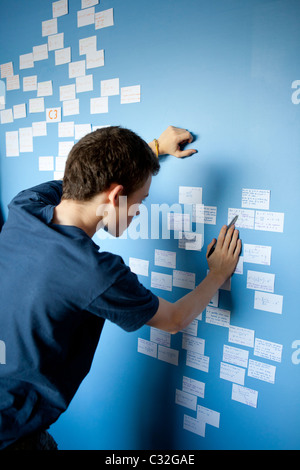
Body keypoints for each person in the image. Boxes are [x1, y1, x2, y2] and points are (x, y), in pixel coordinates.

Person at [0, 125, 241, 450]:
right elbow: (174, 320)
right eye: (140, 200)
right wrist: (217, 273)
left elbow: (88, 178)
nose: (139, 210)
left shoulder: (26, 205)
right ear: (115, 196)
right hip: (13, 433)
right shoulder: (95, 272)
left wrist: (153, 148)